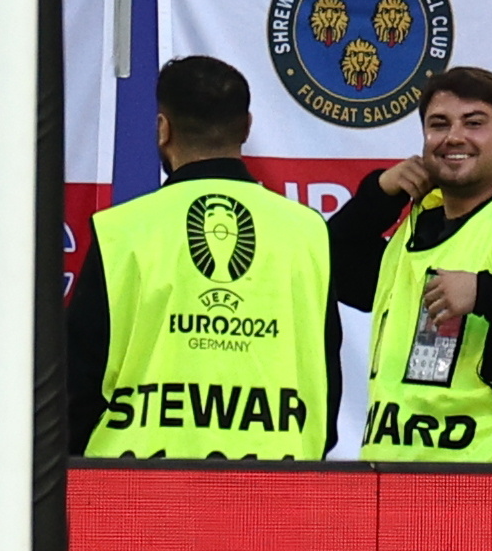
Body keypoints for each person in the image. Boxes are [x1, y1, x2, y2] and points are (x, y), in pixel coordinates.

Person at [63, 57, 328, 461]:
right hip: (276, 482)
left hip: (137, 489)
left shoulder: (124, 229)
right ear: (247, 127)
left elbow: (78, 383)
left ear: (163, 129)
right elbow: (328, 375)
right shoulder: (307, 231)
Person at [327, 67, 492, 466]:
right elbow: (335, 267)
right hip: (390, 472)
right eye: (438, 124)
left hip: (489, 478)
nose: (454, 137)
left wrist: (485, 294)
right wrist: (379, 195)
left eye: (474, 123)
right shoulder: (419, 224)